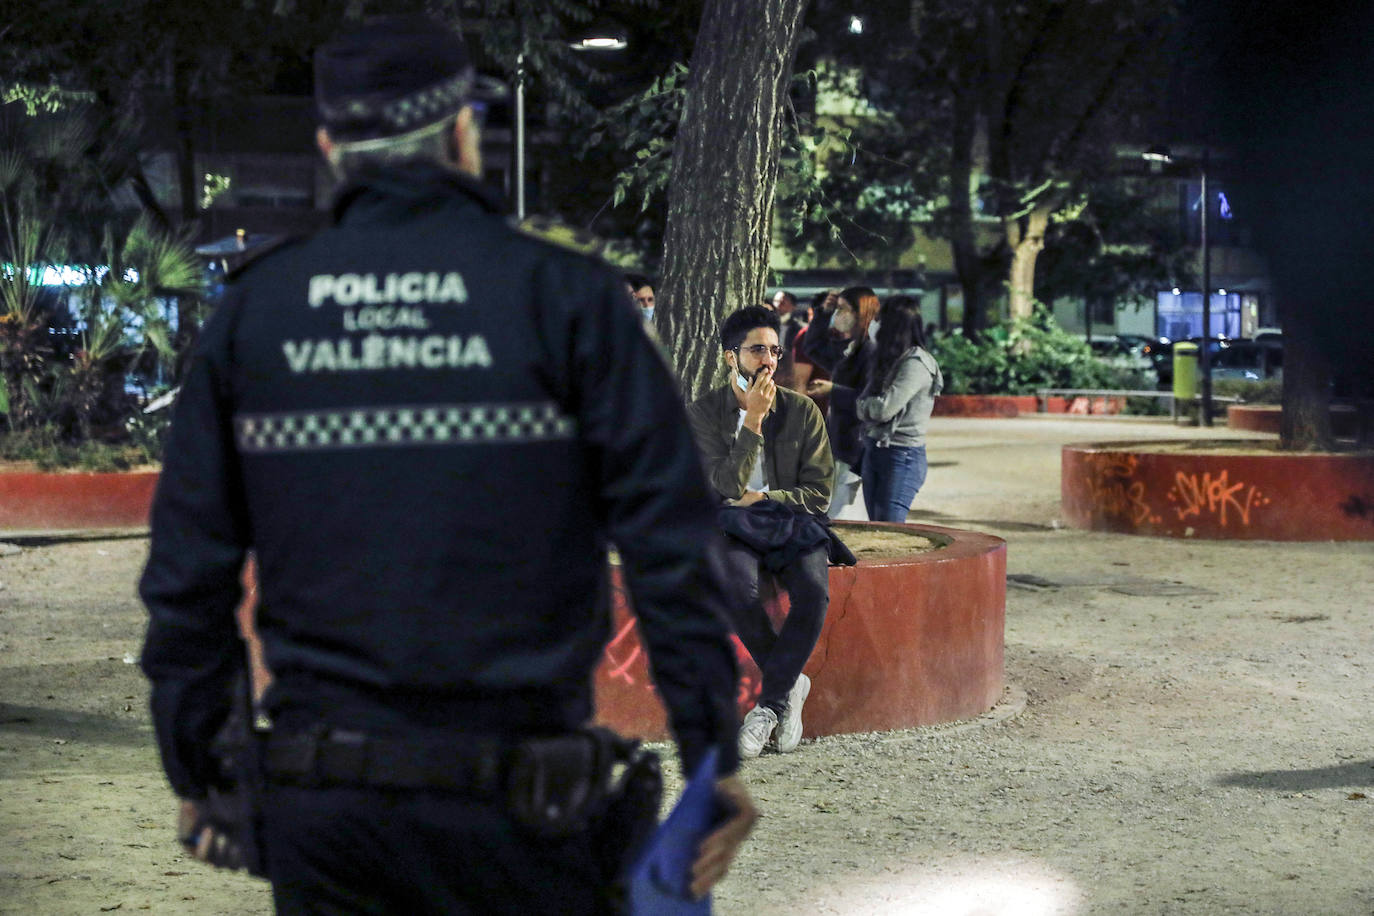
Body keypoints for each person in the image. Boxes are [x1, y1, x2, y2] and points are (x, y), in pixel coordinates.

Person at [138, 16, 755, 914]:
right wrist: (711, 759)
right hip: (526, 817)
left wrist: (198, 763)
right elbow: (672, 547)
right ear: (464, 132)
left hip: (327, 817)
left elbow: (186, 576)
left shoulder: (254, 315)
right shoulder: (568, 300)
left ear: (330, 145)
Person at [686, 306, 834, 759]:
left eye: (774, 350)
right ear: (731, 358)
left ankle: (770, 704)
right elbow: (725, 488)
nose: (769, 360)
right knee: (735, 588)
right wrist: (752, 420)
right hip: (730, 526)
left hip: (792, 523)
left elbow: (819, 493)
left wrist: (765, 499)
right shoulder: (704, 414)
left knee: (813, 591)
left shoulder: (803, 410)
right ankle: (789, 686)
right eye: (757, 351)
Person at [856, 295, 944, 523]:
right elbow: (867, 400)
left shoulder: (916, 363)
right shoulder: (890, 359)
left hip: (901, 456)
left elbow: (884, 409)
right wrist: (867, 406)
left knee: (889, 530)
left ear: (893, 325)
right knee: (876, 526)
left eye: (880, 319)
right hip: (875, 448)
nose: (875, 324)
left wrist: (864, 407)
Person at [804, 286, 880, 518]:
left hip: (854, 448)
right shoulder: (851, 347)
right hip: (838, 444)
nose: (839, 315)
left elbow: (869, 400)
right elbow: (813, 348)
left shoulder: (869, 351)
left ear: (861, 313)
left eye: (843, 309)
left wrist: (833, 390)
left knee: (840, 514)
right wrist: (823, 313)